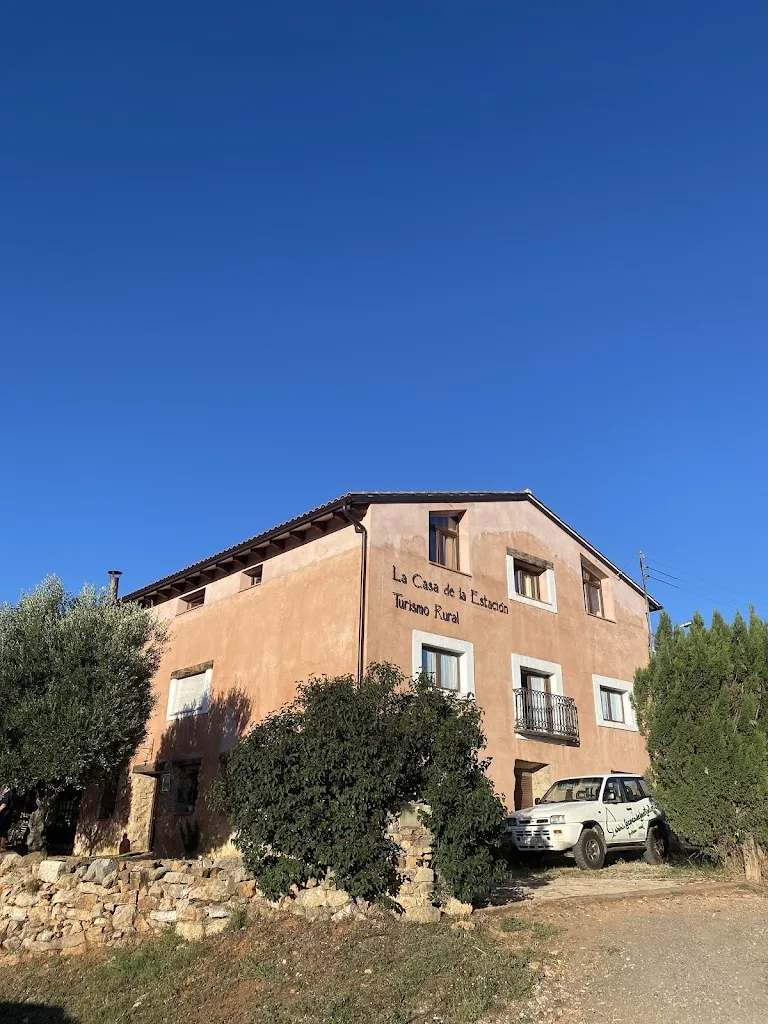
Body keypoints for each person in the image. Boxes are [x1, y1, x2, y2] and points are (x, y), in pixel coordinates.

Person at [0, 786, 15, 851]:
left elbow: (4, 805)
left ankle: (1, 847)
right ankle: (2, 847)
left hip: (4, 815)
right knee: (4, 831)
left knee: (1, 831)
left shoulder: (8, 794)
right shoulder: (11, 794)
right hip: (7, 815)